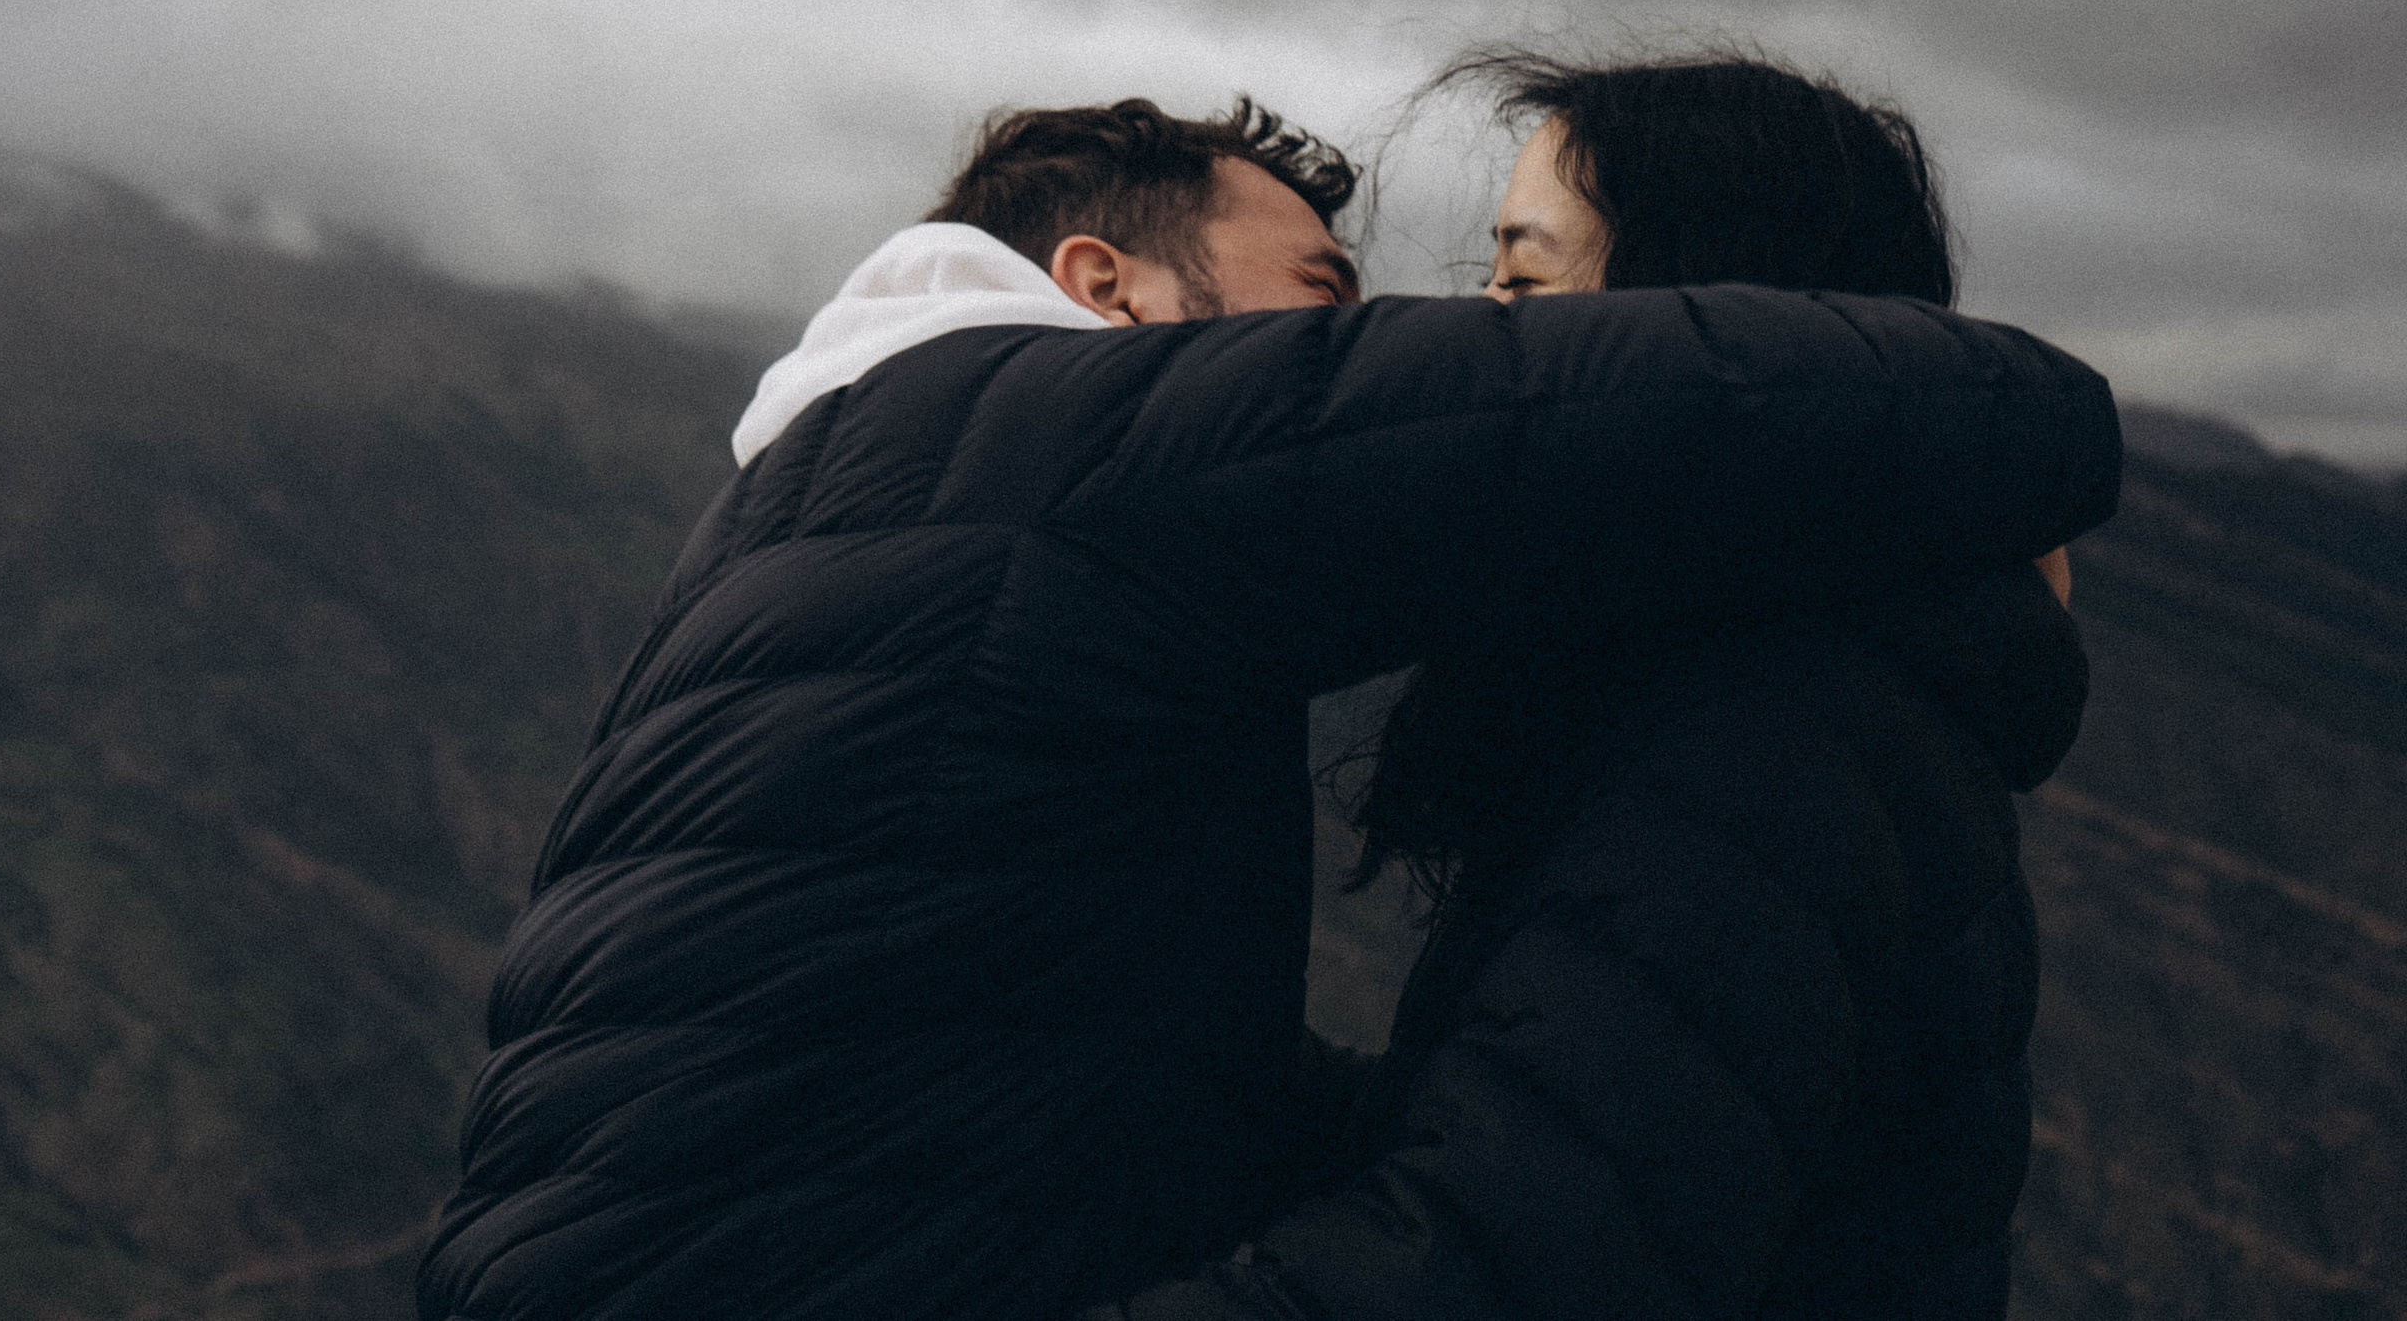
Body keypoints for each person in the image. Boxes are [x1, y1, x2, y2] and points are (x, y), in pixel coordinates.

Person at [417, 91, 2118, 1321]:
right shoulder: (1053, 433)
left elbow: (1082, 1036)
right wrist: (2028, 433)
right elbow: (1620, 410)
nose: (1395, 343)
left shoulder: (832, 498)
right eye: (1320, 300)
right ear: (1109, 288)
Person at [1084, 51, 2094, 1320]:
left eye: (1526, 277)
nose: (1475, 338)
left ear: (1703, 333)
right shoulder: (1766, 686)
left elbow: (1502, 1265)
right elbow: (1554, 1134)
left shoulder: (1766, 746)